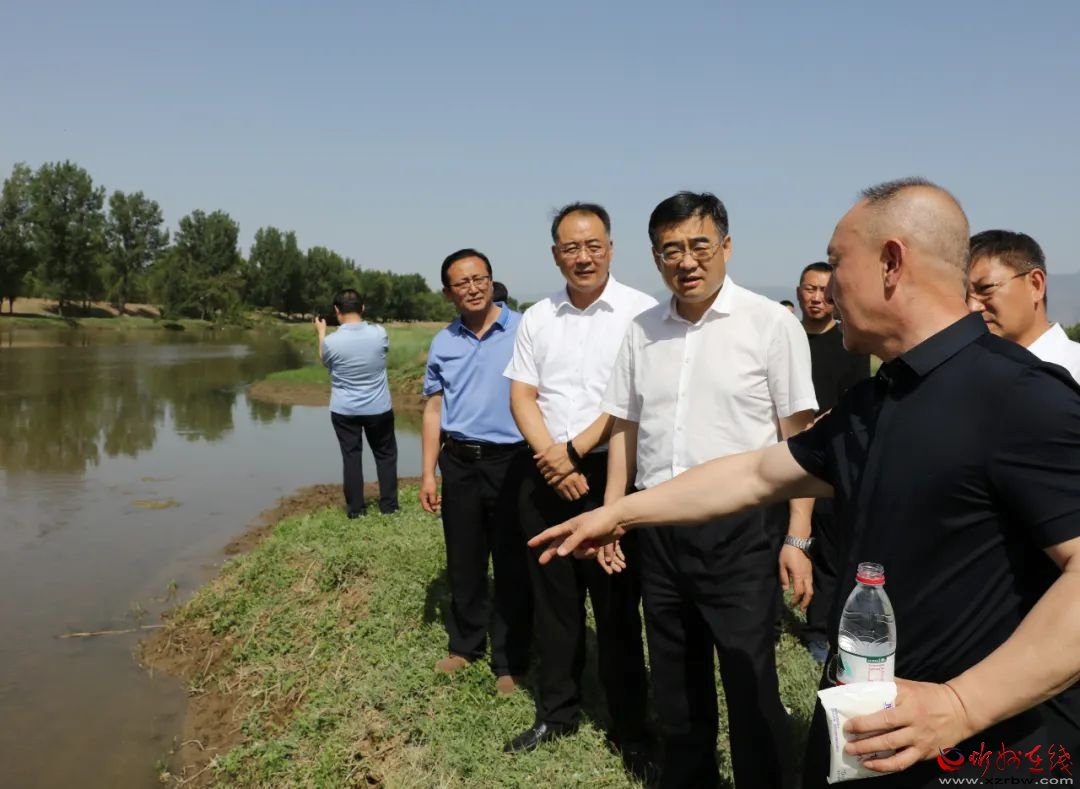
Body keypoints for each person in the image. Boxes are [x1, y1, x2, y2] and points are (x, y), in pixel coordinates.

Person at [529, 178, 1080, 788]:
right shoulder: (877, 402)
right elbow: (756, 471)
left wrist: (961, 704)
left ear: (891, 263)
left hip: (985, 753)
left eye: (837, 263)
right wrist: (620, 513)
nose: (826, 287)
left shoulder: (1020, 397)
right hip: (871, 728)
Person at [599, 191, 816, 788]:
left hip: (740, 531)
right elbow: (624, 427)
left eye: (700, 245)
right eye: (671, 250)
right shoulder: (642, 330)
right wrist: (614, 512)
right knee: (675, 680)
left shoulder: (770, 324)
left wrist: (798, 536)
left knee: (749, 678)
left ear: (726, 246)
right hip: (659, 528)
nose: (687, 262)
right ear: (655, 257)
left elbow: (799, 440)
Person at [502, 202, 656, 777]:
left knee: (617, 610)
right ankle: (557, 713)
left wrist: (572, 454)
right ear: (555, 255)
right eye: (571, 247)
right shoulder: (537, 316)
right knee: (554, 606)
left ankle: (630, 728)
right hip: (545, 474)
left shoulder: (641, 312)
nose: (583, 257)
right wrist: (553, 459)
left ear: (611, 248)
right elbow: (522, 395)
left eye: (593, 245)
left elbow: (632, 401)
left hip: (614, 473)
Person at [418, 249, 532, 695]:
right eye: (461, 283)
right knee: (463, 560)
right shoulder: (443, 342)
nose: (473, 288)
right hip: (460, 461)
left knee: (511, 561)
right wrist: (428, 473)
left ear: (491, 280)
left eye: (479, 278)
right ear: (448, 293)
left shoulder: (525, 330)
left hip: (513, 461)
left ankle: (510, 659)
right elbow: (434, 408)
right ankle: (465, 646)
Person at [796, 261, 871, 665]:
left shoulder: (849, 343)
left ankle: (819, 631)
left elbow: (853, 402)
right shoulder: (786, 338)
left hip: (827, 455)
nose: (817, 298)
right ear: (798, 292)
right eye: (810, 289)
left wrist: (818, 426)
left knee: (828, 549)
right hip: (779, 449)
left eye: (825, 291)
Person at [315, 288, 398, 516]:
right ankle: (389, 506)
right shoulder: (380, 333)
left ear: (336, 310)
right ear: (362, 307)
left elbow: (325, 360)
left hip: (345, 409)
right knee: (385, 455)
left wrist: (321, 333)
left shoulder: (331, 342)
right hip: (378, 407)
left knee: (351, 457)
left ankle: (356, 509)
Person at [967, 229, 1080, 381]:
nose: (972, 307)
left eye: (986, 288)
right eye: (964, 295)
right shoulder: (968, 375)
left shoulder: (1074, 373)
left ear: (1035, 285)